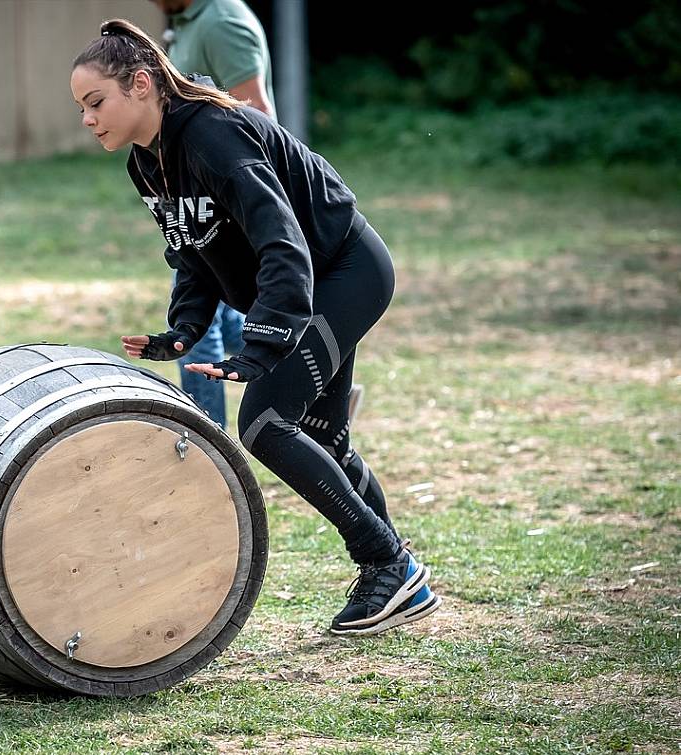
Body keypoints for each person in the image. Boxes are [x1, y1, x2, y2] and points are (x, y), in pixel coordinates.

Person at [70, 19, 440, 634]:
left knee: (265, 424)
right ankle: (399, 575)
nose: (86, 118)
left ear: (141, 84)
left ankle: (388, 566)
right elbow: (194, 251)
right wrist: (184, 328)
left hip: (344, 272)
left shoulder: (213, 136)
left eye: (95, 102)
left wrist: (264, 338)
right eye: (82, 107)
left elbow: (281, 239)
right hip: (312, 286)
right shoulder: (148, 162)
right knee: (324, 440)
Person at [153, 0, 362, 429]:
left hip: (232, 208)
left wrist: (242, 205)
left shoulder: (222, 22)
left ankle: (208, 443)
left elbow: (253, 112)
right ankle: (317, 381)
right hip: (205, 208)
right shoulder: (186, 22)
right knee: (231, 321)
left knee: (204, 334)